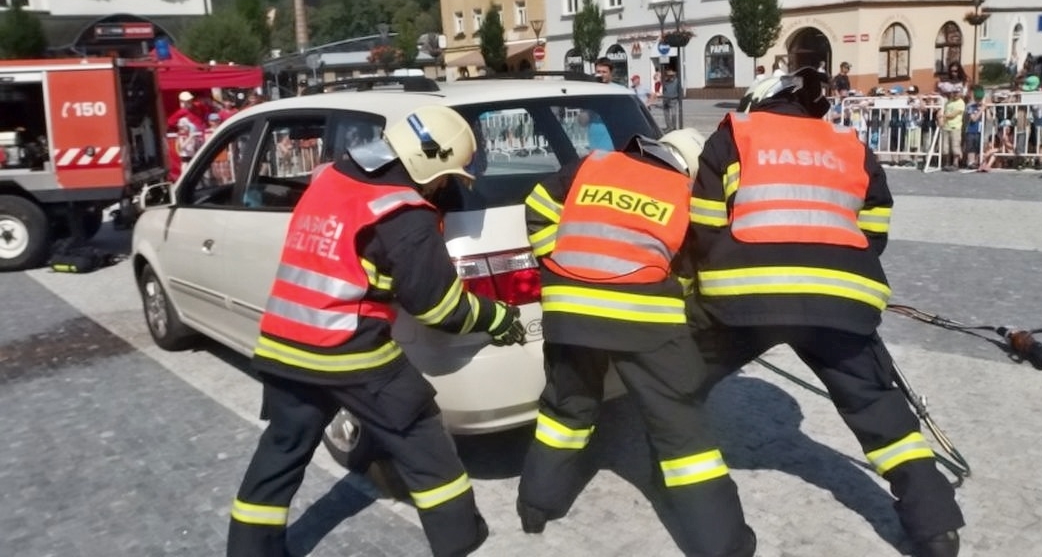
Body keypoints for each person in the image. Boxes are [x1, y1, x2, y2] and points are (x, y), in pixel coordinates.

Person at [686, 67, 965, 557]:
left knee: (678, 381)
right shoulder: (850, 144)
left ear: (760, 100)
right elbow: (874, 225)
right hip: (838, 298)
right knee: (877, 406)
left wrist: (707, 291)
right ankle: (935, 526)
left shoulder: (735, 134)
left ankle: (664, 462)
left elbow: (705, 227)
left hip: (745, 294)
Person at [226, 105, 527, 557]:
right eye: (445, 176)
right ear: (428, 162)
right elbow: (439, 307)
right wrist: (498, 318)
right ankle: (461, 539)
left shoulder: (331, 176)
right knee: (423, 440)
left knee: (281, 453)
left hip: (285, 343)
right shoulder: (404, 213)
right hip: (351, 351)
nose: (444, 186)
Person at [519, 129, 756, 557]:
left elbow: (537, 203)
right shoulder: (684, 192)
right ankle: (724, 546)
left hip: (569, 311)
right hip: (647, 322)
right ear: (689, 166)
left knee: (564, 410)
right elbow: (691, 265)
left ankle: (537, 507)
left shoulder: (592, 165)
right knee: (682, 433)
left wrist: (553, 263)